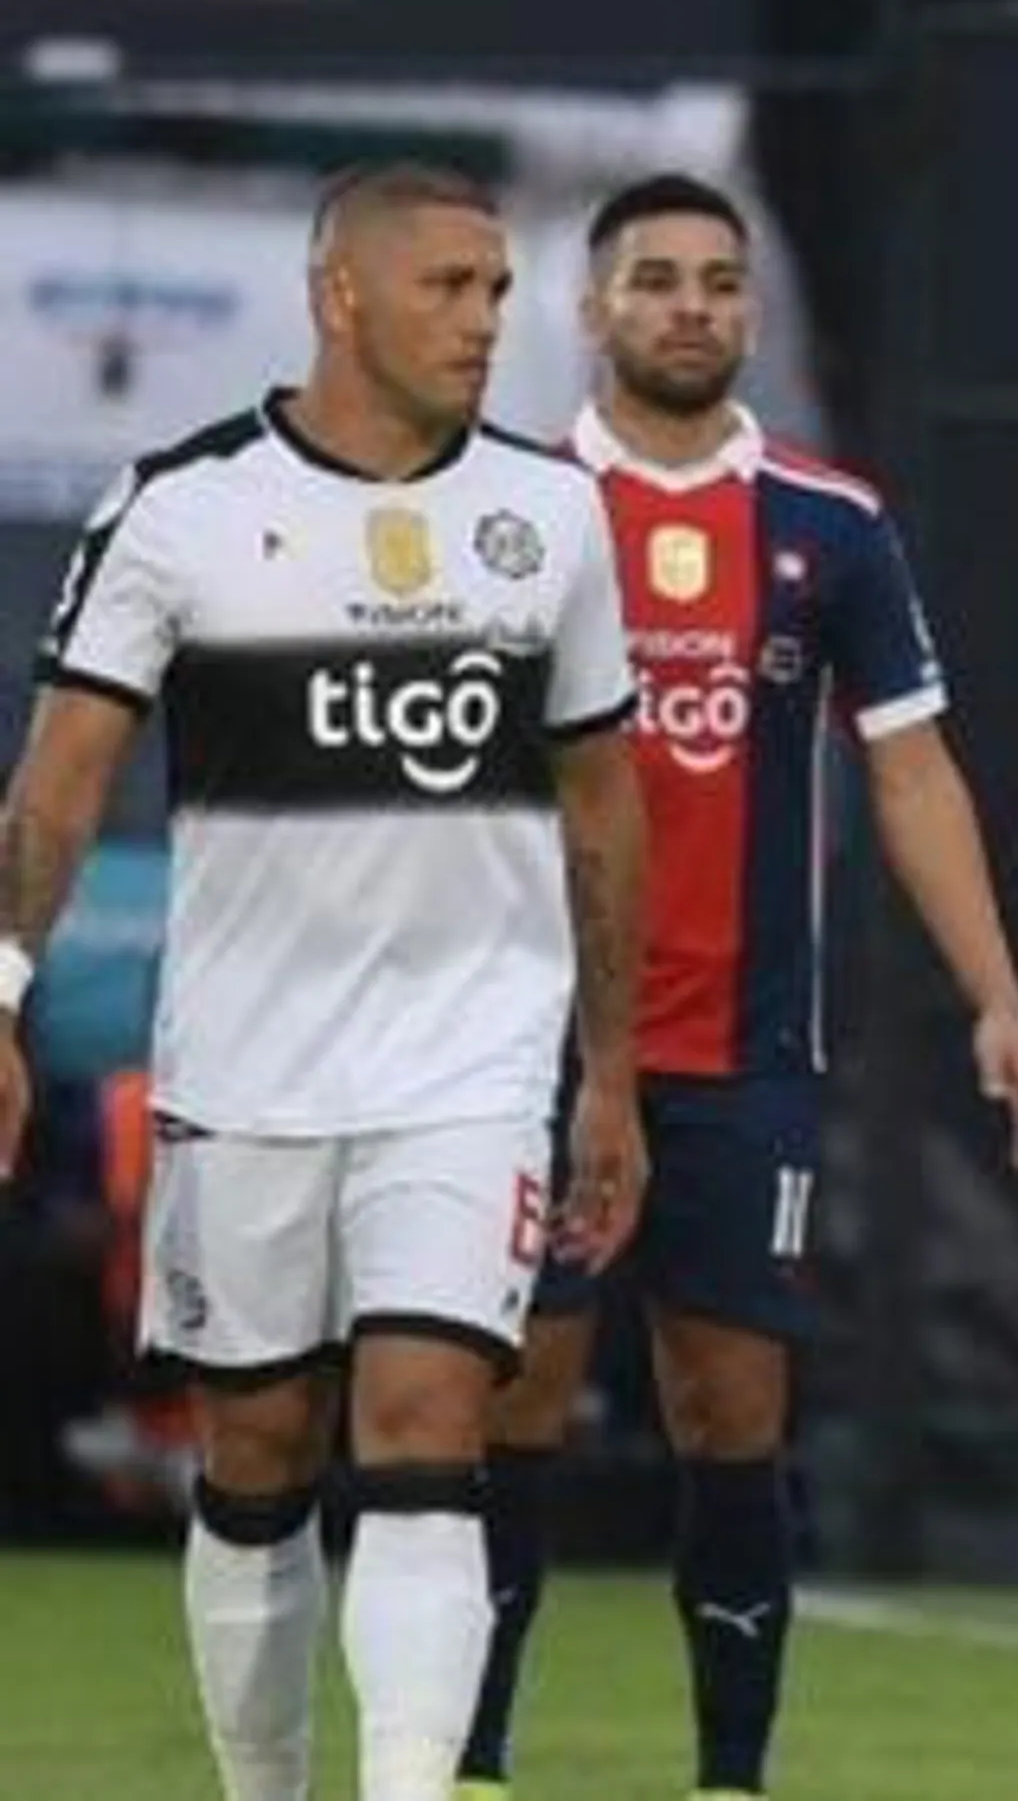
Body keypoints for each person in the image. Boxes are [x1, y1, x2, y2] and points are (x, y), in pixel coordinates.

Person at [0, 162, 646, 1801]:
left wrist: (614, 1071)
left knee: (429, 1420)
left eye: (500, 291)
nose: (486, 322)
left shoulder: (553, 516)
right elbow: (61, 785)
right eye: (449, 288)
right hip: (248, 1067)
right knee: (257, 1451)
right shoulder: (181, 505)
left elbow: (603, 807)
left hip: (474, 1056)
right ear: (339, 296)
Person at [452, 171, 1018, 1801]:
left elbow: (912, 768)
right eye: (653, 280)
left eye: (719, 282)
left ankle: (733, 1772)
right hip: (523, 1047)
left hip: (742, 1054)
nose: (689, 307)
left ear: (753, 311)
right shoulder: (502, 510)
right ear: (589, 311)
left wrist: (995, 994)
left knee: (733, 1410)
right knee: (515, 1404)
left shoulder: (827, 523)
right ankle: (473, 1762)